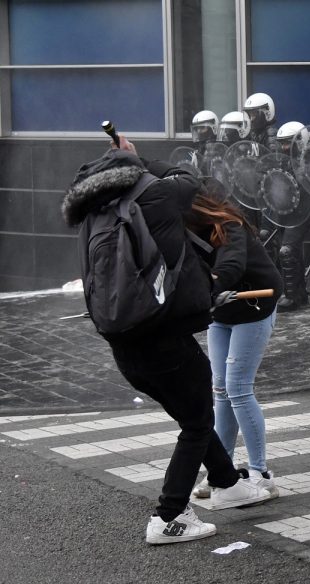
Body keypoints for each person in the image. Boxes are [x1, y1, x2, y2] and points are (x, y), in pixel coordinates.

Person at [61, 136, 275, 545]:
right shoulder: (152, 196)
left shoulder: (95, 214)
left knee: (191, 413)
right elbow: (186, 178)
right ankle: (169, 516)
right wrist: (140, 157)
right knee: (196, 422)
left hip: (125, 343)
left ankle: (228, 483)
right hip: (163, 339)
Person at [183, 183, 283, 503]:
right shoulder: (186, 232)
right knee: (219, 388)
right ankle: (222, 472)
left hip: (253, 309)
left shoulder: (231, 227)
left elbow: (232, 265)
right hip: (222, 312)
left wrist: (209, 285)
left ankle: (261, 473)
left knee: (238, 387)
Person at [273, 120, 310, 312]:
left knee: (287, 250)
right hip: (287, 212)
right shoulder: (283, 161)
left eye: (289, 142)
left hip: (305, 211)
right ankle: (300, 293)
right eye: (283, 143)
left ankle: (292, 296)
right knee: (292, 251)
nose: (285, 147)